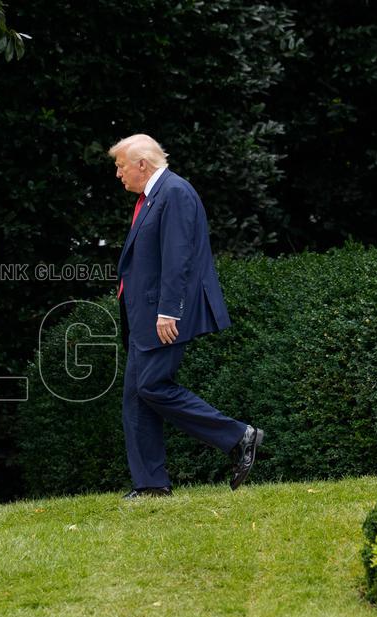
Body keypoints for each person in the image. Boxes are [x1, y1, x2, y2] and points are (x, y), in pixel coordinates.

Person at [110, 134, 262, 499]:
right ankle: (151, 485)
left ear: (142, 164)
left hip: (161, 314)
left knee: (151, 386)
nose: (118, 174)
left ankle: (238, 436)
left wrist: (168, 311)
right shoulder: (154, 196)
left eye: (120, 166)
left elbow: (178, 258)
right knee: (136, 397)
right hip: (143, 314)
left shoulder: (175, 192)